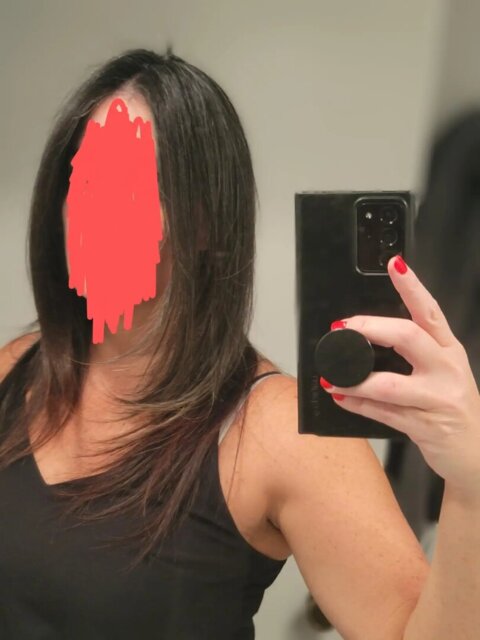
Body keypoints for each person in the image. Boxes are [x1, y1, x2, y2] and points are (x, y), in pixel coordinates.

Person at [1, 47, 477, 640]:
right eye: (82, 179)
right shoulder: (17, 370)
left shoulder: (274, 434)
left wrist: (472, 482)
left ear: (202, 222)